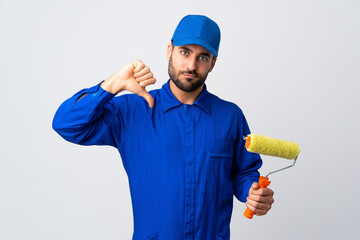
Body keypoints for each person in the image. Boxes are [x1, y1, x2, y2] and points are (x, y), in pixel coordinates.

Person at [53, 15, 274, 240]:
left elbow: (244, 173)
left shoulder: (230, 116)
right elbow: (66, 124)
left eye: (203, 57)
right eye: (185, 52)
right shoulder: (132, 111)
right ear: (169, 50)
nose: (191, 65)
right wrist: (114, 83)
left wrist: (252, 193)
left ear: (213, 63)